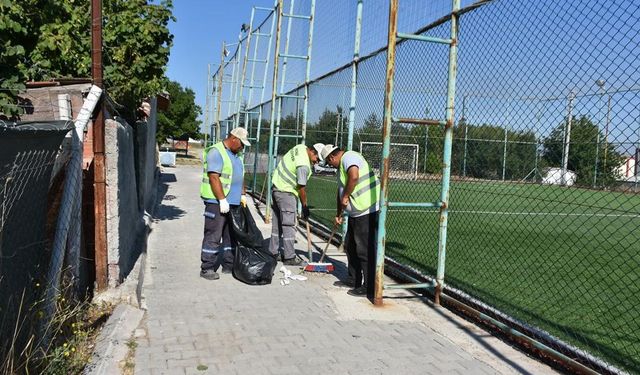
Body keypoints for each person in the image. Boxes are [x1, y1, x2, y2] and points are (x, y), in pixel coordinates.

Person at [320, 144, 380, 297]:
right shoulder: (341, 168)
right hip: (356, 212)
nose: (330, 166)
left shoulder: (349, 157)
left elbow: (354, 176)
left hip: (367, 209)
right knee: (350, 246)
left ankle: (369, 286)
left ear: (332, 157)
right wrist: (339, 214)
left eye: (329, 162)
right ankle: (353, 279)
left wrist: (346, 197)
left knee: (364, 249)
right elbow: (340, 192)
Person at [199, 128, 251, 280]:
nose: (243, 147)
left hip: (234, 203)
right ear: (234, 138)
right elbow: (214, 177)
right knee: (213, 235)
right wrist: (221, 199)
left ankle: (229, 264)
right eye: (241, 143)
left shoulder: (237, 155)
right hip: (217, 202)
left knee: (231, 236)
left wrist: (243, 195)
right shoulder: (216, 152)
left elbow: (240, 176)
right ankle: (207, 267)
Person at [269, 143, 325, 265]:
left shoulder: (300, 147)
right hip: (286, 193)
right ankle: (289, 257)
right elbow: (301, 188)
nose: (316, 162)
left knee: (277, 224)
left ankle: (273, 252)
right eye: (317, 159)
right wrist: (304, 206)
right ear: (312, 152)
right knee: (289, 225)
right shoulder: (304, 165)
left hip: (276, 188)